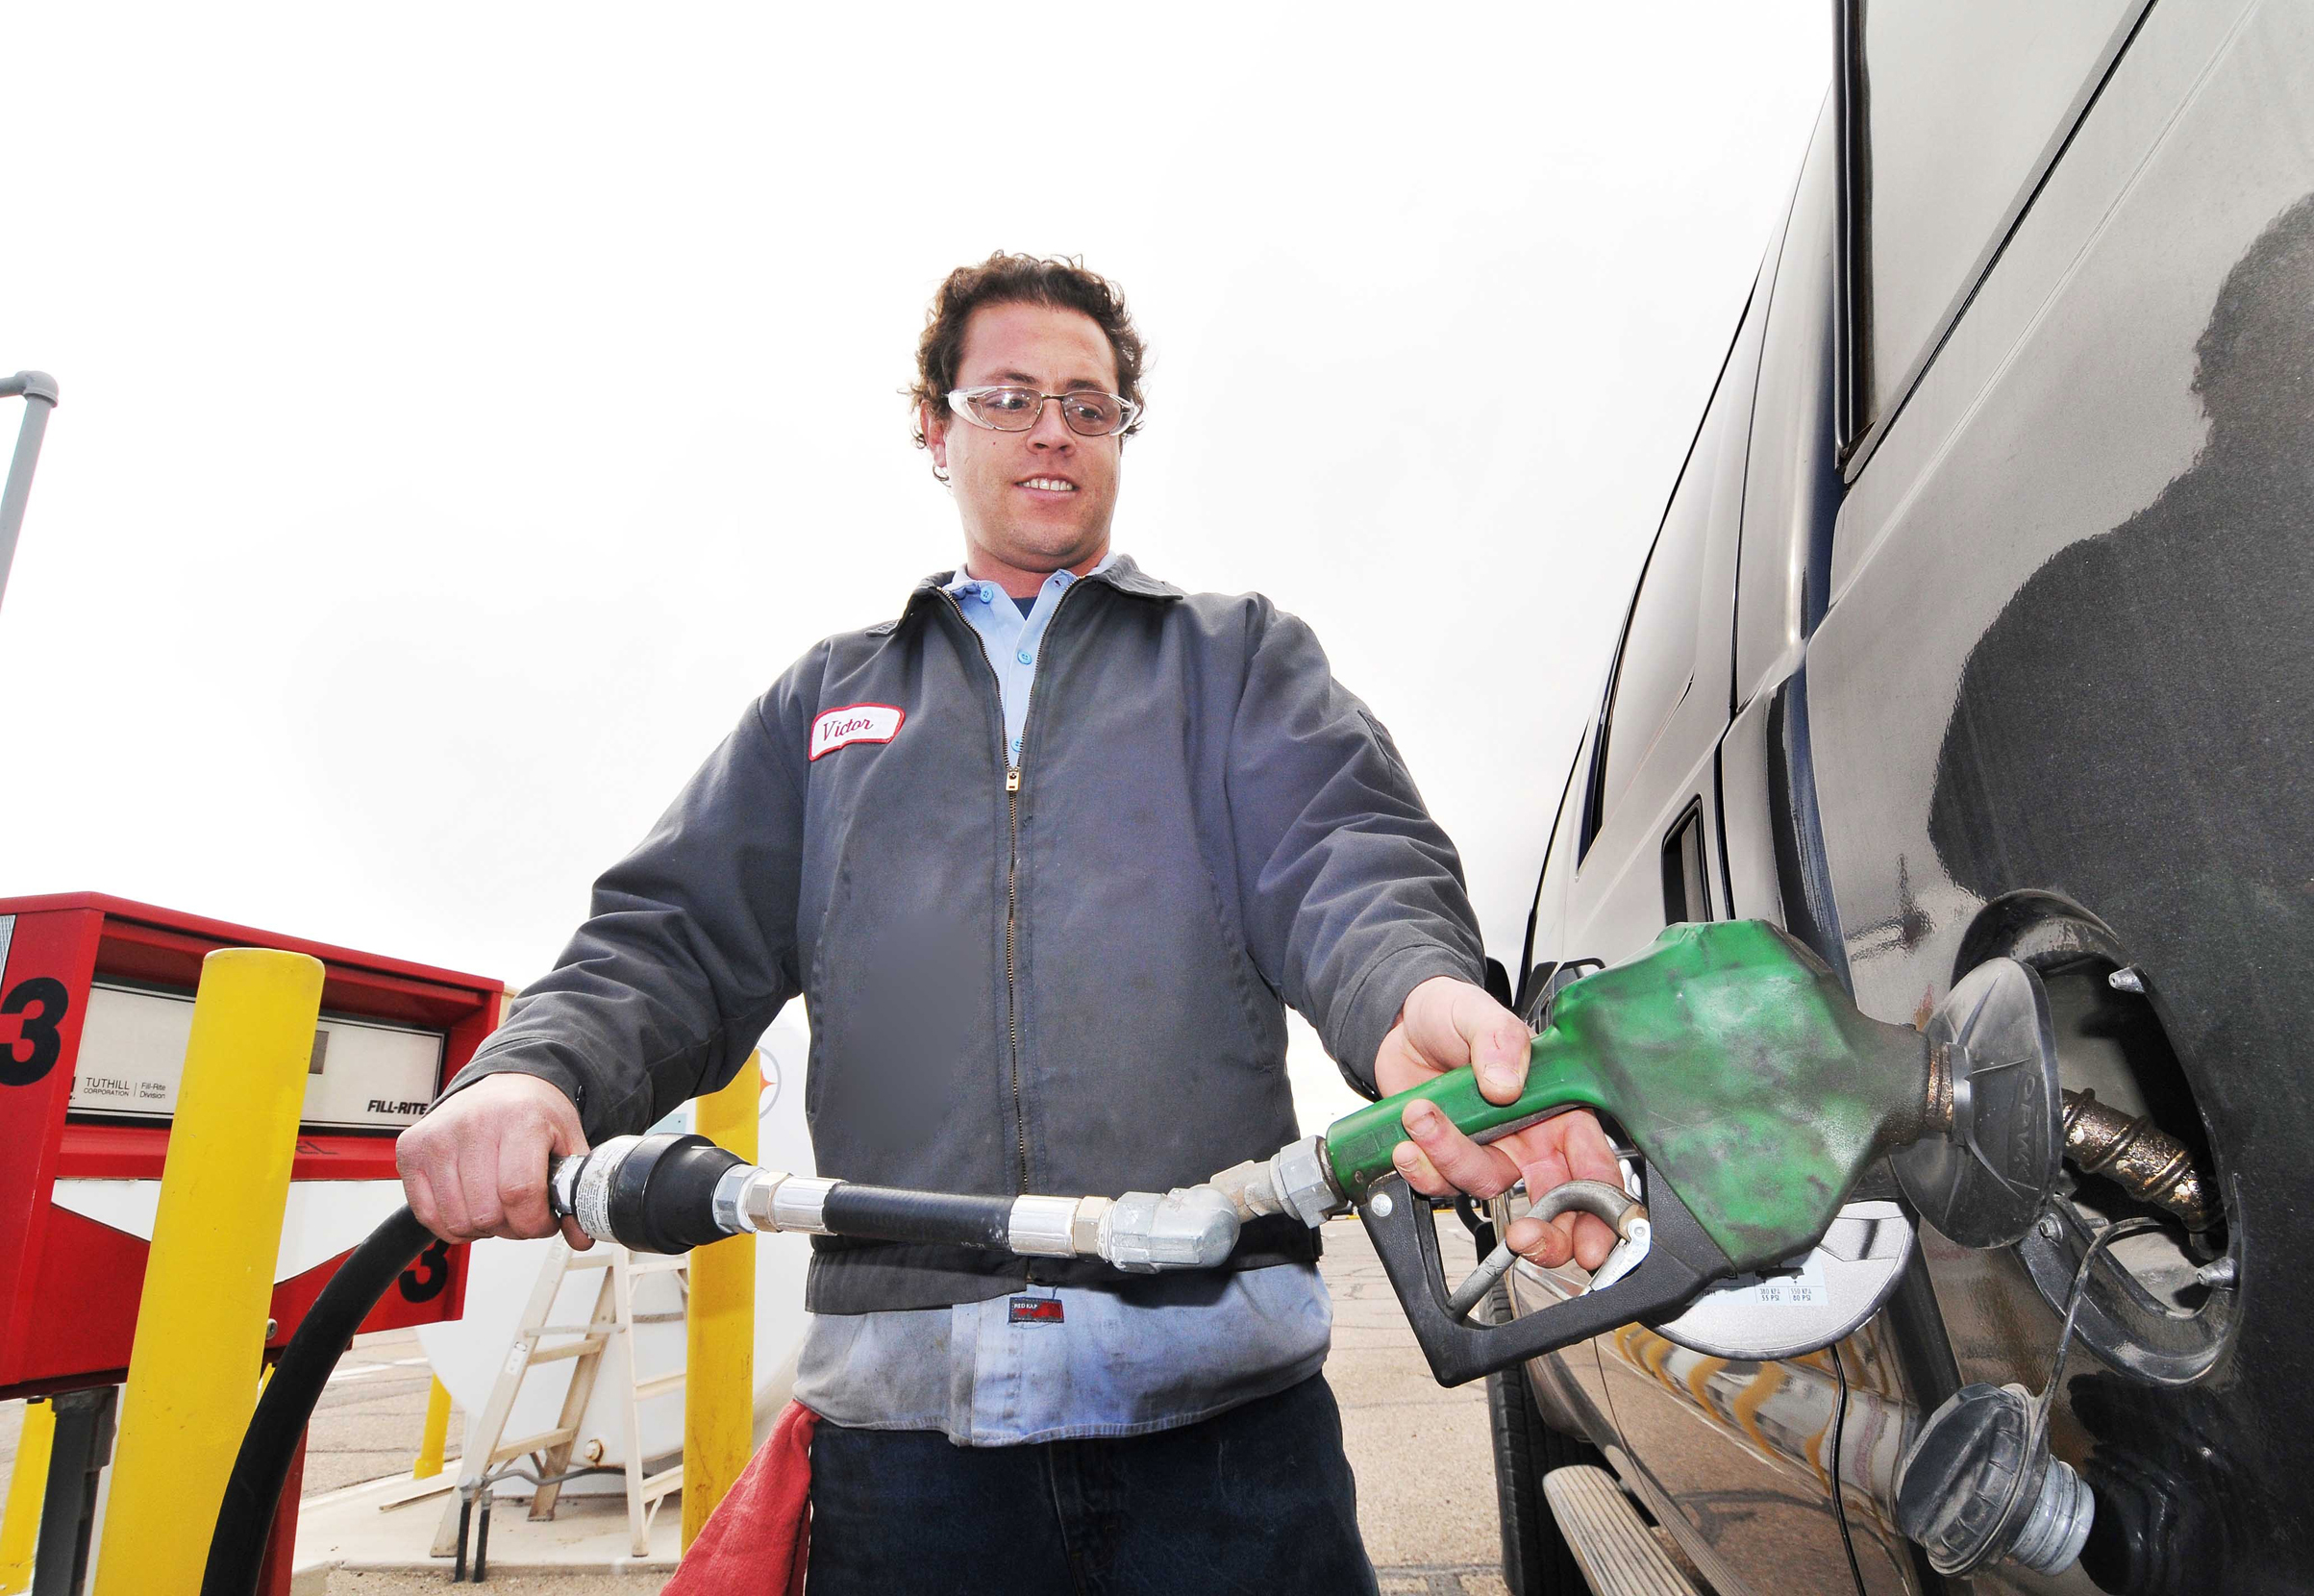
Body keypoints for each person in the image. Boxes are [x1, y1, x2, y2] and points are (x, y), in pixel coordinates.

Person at [397, 252, 1622, 1594]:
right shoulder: (829, 704)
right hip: (910, 1455)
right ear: (935, 425)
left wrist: (1410, 999)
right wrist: (532, 1067)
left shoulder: (1235, 660)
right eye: (1010, 397)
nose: (1054, 430)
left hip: (1224, 1446)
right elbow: (671, 934)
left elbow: (1346, 858)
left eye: (1090, 407)